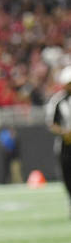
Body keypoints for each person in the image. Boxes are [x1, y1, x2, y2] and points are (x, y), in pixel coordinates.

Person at [45, 66, 71, 215]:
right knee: (67, 173)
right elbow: (51, 123)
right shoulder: (58, 100)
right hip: (65, 145)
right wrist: (64, 133)